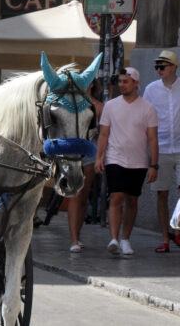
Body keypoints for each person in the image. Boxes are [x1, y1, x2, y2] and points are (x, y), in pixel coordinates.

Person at [143, 50, 180, 252]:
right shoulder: (151, 89)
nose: (159, 70)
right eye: (157, 67)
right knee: (162, 193)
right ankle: (165, 238)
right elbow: (146, 120)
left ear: (174, 67)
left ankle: (178, 230)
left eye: (163, 66)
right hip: (160, 147)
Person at [95, 67, 158, 256]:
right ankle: (113, 238)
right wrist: (100, 156)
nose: (122, 85)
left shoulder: (148, 108)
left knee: (132, 200)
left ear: (136, 84)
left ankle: (125, 239)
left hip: (138, 162)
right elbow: (104, 133)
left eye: (126, 81)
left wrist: (154, 164)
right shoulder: (111, 106)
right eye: (120, 81)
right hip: (115, 158)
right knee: (116, 197)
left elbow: (153, 138)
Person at [68, 79, 104, 253]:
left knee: (83, 197)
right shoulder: (70, 104)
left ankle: (78, 234)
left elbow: (103, 133)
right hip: (72, 153)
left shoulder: (99, 107)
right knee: (75, 195)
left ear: (91, 85)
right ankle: (73, 238)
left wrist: (100, 155)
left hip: (89, 153)